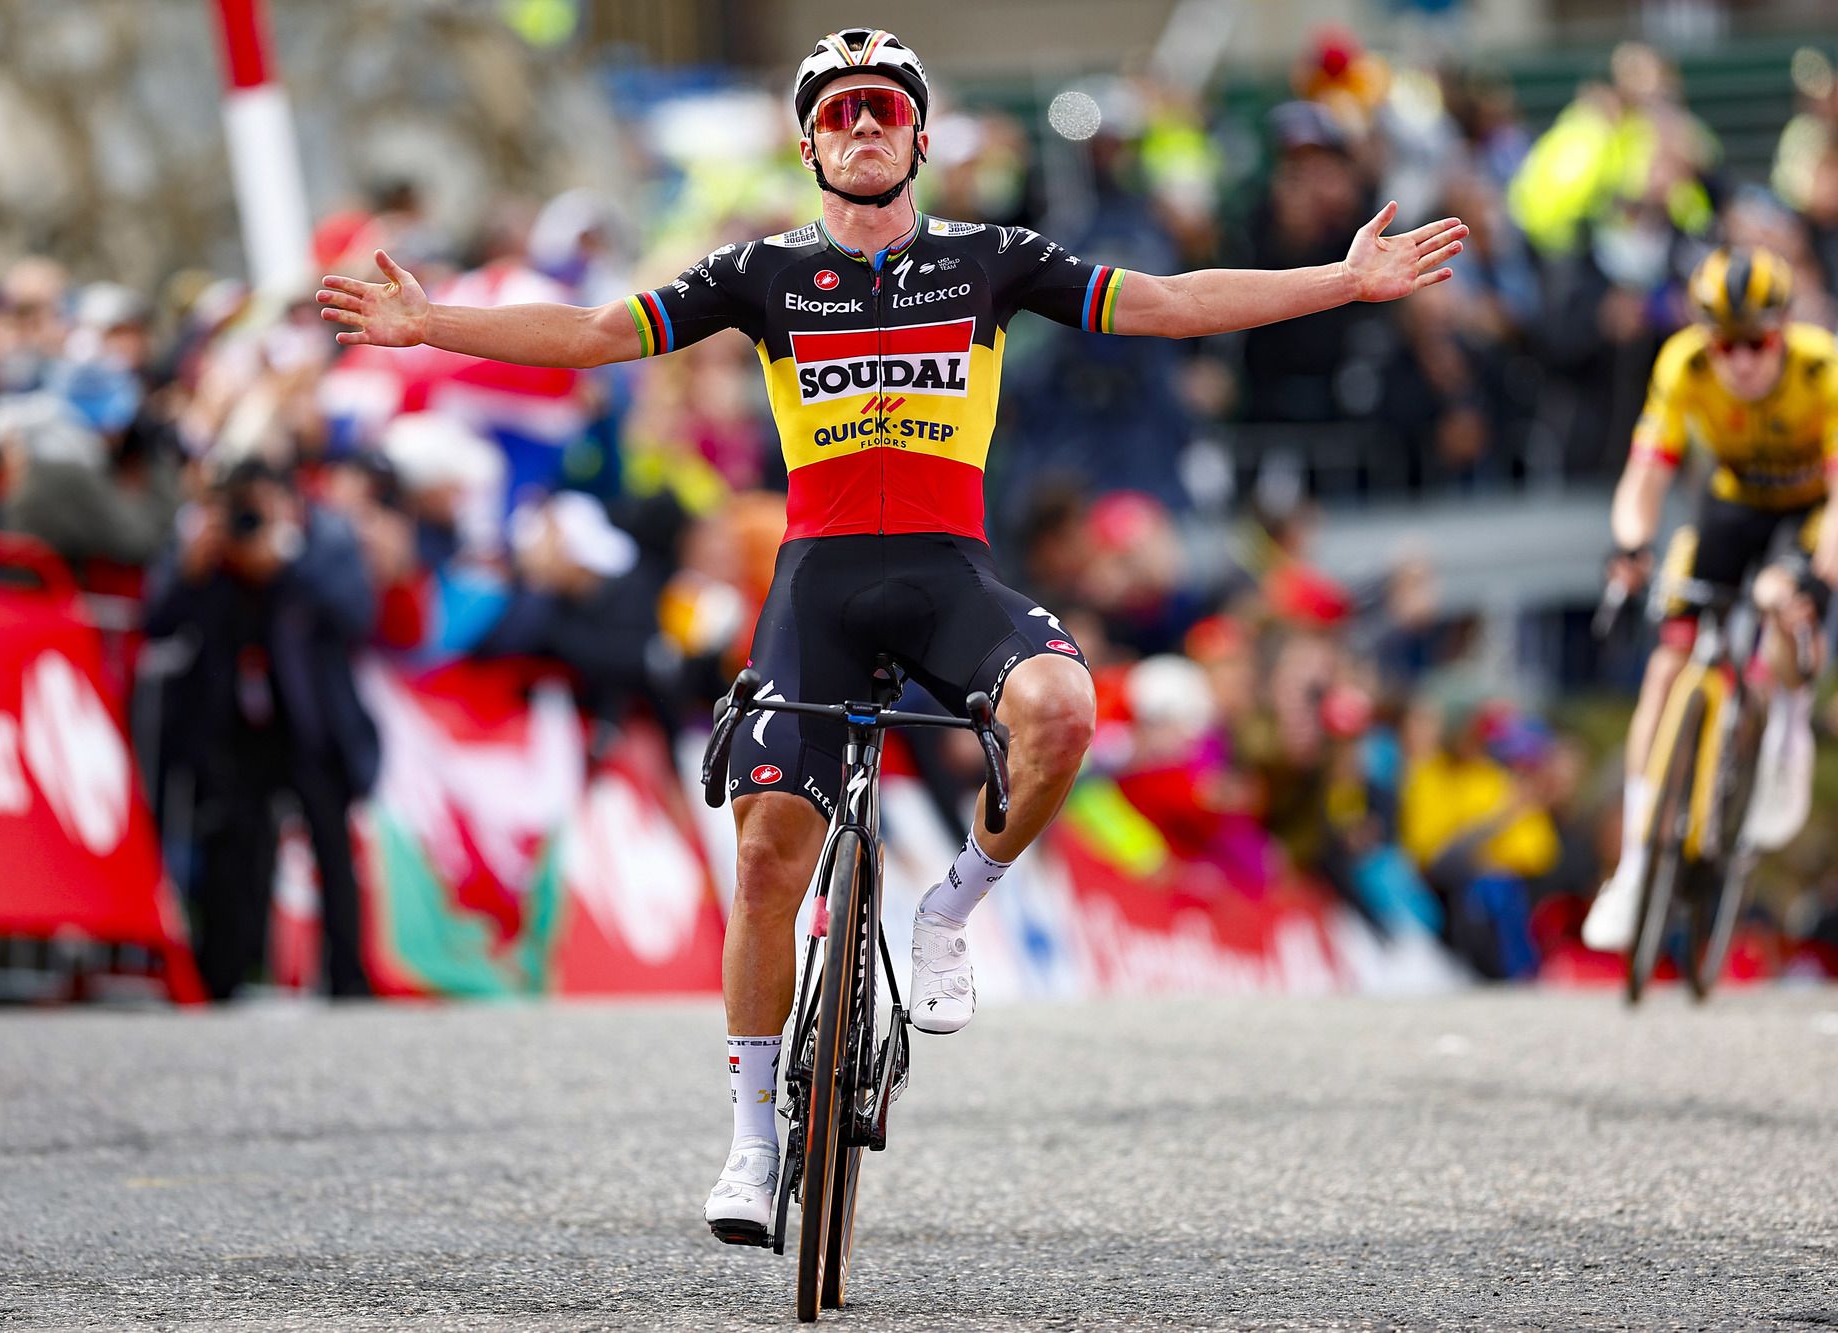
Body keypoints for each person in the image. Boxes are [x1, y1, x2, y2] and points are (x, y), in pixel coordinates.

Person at [316, 26, 1466, 1243]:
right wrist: (432, 323)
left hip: (946, 573)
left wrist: (1338, 282)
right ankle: (753, 1139)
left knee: (1063, 708)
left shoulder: (989, 259)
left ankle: (948, 906)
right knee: (764, 861)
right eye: (838, 114)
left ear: (917, 137)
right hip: (815, 583)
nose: (862, 128)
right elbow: (601, 333)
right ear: (810, 142)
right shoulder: (761, 272)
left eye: (883, 111)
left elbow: (1171, 305)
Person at [1585, 246, 1838, 952]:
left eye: (1757, 342)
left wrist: (1818, 578)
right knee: (1666, 668)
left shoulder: (1823, 369)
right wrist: (1630, 545)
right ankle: (1636, 866)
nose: (1742, 362)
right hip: (1730, 503)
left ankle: (1786, 725)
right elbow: (1646, 472)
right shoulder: (1683, 364)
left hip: (1810, 512)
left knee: (1781, 596)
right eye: (1726, 344)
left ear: (1782, 332)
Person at [143, 460, 381, 1000]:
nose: (250, 519)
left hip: (310, 726)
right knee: (234, 850)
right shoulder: (208, 543)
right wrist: (191, 568)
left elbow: (359, 614)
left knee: (332, 854)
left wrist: (287, 563)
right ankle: (224, 975)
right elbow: (156, 621)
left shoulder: (326, 540)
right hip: (233, 728)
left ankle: (348, 980)